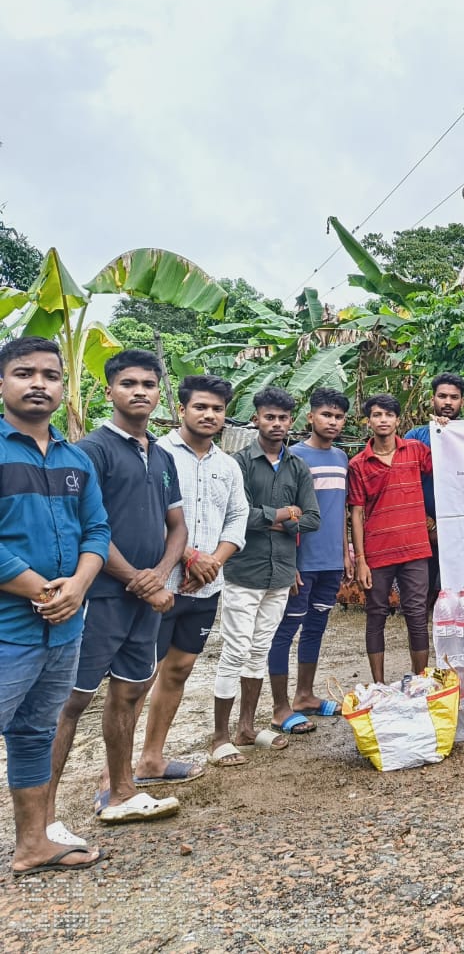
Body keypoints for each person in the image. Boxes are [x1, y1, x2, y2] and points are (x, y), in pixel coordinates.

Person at [48, 349, 187, 827]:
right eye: (129, 383)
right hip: (101, 598)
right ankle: (41, 816)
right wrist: (136, 580)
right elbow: (87, 528)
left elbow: (177, 526)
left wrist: (163, 572)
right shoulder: (90, 451)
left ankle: (122, 790)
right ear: (109, 392)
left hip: (146, 600)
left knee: (128, 693)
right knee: (71, 701)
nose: (141, 392)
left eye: (149, 384)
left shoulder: (162, 455)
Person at [0, 338, 109, 875]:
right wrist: (44, 591)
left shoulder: (74, 458)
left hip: (62, 631)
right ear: (2, 384)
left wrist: (80, 585)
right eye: (24, 373)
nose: (39, 383)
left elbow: (97, 528)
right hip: (8, 628)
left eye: (51, 374)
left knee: (34, 734)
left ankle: (34, 843)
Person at [133, 375, 248, 780]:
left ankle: (152, 757)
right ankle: (113, 773)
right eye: (200, 406)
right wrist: (189, 555)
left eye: (217, 409)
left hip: (206, 587)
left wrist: (213, 561)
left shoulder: (228, 466)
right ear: (181, 409)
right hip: (159, 585)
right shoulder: (156, 454)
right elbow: (143, 513)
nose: (209, 414)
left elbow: (238, 517)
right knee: (138, 678)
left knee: (179, 670)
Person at [214, 388, 320, 764]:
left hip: (280, 575)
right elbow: (239, 514)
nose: (276, 424)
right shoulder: (239, 463)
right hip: (245, 571)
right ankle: (219, 738)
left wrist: (276, 519)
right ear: (256, 418)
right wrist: (283, 515)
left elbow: (312, 518)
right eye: (269, 417)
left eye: (283, 418)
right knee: (235, 650)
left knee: (259, 651)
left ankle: (246, 727)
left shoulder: (297, 466)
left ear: (292, 421)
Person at [267, 388, 351, 735]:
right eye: (326, 415)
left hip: (331, 560)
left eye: (338, 416)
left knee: (316, 628)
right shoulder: (292, 458)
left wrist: (346, 552)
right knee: (285, 631)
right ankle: (279, 707)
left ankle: (305, 696)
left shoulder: (343, 458)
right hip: (302, 562)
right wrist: (289, 564)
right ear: (310, 418)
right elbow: (282, 516)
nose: (332, 422)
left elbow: (341, 510)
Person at [349, 394, 434, 683]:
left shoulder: (417, 450)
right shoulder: (358, 464)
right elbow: (357, 513)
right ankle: (379, 685)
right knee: (376, 614)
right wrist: (360, 560)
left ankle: (421, 679)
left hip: (416, 548)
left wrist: (446, 430)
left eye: (388, 414)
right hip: (377, 552)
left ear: (398, 420)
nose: (383, 420)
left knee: (416, 613)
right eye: (376, 415)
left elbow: (450, 466)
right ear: (368, 421)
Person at [406, 372, 464, 616]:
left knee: (463, 589)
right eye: (442, 396)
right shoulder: (415, 437)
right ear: (433, 400)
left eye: (454, 397)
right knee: (424, 588)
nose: (448, 402)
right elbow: (406, 485)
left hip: (463, 527)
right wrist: (428, 523)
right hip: (425, 526)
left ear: (462, 401)